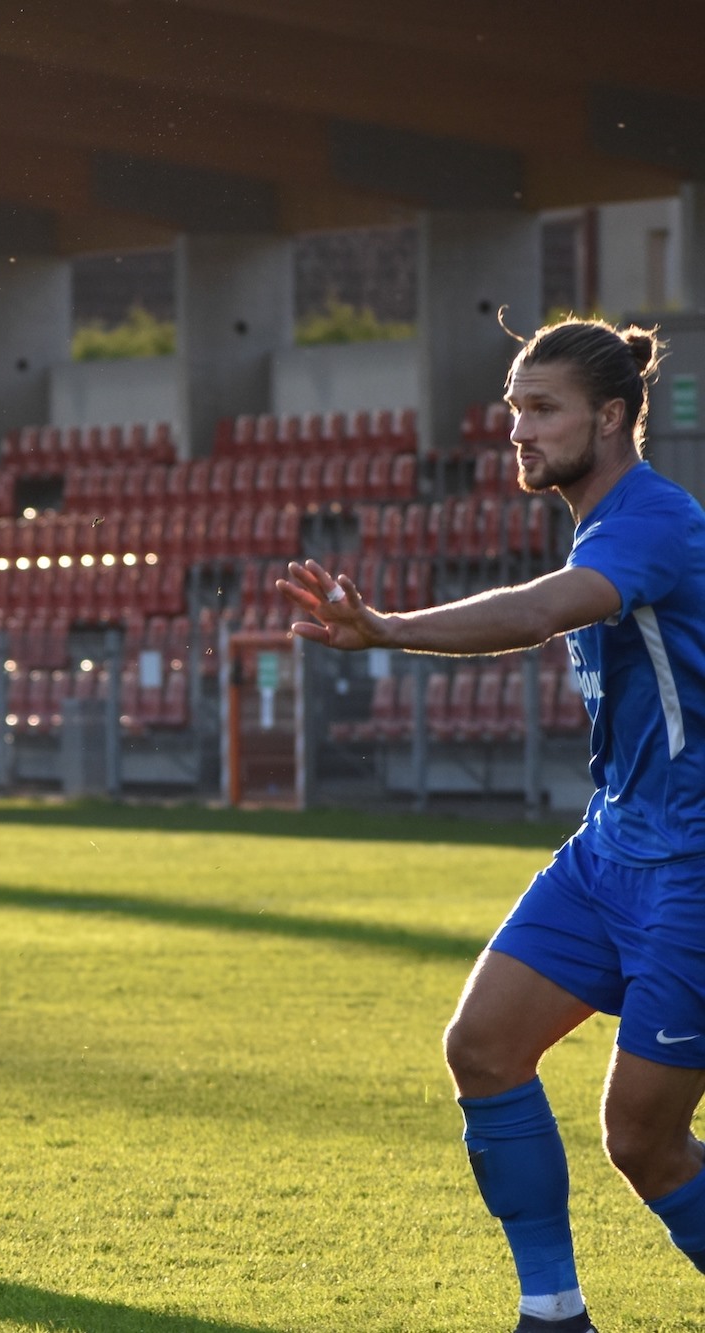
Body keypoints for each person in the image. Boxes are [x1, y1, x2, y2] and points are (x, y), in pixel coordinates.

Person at [281, 318, 705, 1333]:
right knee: (480, 1046)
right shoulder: (601, 519)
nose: (514, 429)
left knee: (641, 1139)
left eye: (539, 408)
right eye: (511, 408)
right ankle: (550, 1315)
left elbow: (533, 614)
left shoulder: (653, 517)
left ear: (609, 418)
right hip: (611, 849)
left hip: (693, 862)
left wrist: (386, 628)